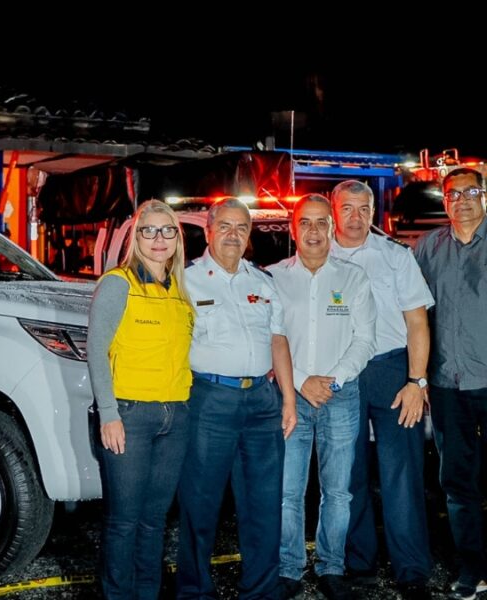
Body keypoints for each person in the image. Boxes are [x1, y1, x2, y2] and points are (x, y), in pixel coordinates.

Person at [176, 198, 297, 600]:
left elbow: (278, 340)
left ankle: (262, 590)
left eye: (241, 228)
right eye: (224, 226)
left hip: (262, 401)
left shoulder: (261, 281)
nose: (232, 234)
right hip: (209, 399)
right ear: (208, 231)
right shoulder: (185, 280)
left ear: (249, 235)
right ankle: (195, 590)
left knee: (264, 502)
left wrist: (288, 399)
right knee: (201, 502)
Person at [329, 180, 434, 600]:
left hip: (392, 370)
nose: (356, 216)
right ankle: (359, 564)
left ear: (374, 210)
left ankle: (412, 570)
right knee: (347, 474)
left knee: (402, 475)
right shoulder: (316, 255)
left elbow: (417, 324)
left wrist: (416, 381)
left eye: (364, 208)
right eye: (348, 208)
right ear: (334, 211)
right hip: (342, 374)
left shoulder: (395, 256)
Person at [269, 194, 376, 600]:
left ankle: (332, 566)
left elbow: (365, 340)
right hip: (290, 400)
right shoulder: (274, 278)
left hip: (341, 397)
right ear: (293, 229)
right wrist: (298, 384)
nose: (313, 231)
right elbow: (270, 341)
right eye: (305, 223)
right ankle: (288, 568)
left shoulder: (353, 279)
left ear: (331, 228)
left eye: (320, 223)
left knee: (339, 491)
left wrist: (332, 380)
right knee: (288, 490)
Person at [86, 199, 194, 600]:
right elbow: (96, 349)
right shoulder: (119, 283)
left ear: (177, 239)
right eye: (149, 230)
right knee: (124, 521)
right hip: (129, 416)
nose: (158, 239)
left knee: (154, 521)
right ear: (137, 237)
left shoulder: (181, 291)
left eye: (167, 230)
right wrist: (109, 415)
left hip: (175, 419)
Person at [414, 167, 487, 600]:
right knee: (458, 484)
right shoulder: (428, 248)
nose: (462, 199)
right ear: (444, 202)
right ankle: (472, 569)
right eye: (452, 193)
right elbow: (413, 314)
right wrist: (417, 375)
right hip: (446, 385)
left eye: (471, 191)